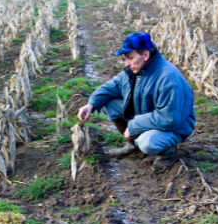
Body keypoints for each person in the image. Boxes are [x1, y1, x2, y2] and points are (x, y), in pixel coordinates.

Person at [77, 32, 196, 171]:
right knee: (110, 103)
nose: (126, 63)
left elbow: (169, 118)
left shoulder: (168, 78)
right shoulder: (136, 69)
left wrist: (133, 126)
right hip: (149, 115)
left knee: (147, 142)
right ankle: (133, 146)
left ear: (145, 55)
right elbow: (111, 87)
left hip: (174, 125)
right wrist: (91, 104)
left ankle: (166, 153)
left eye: (130, 58)